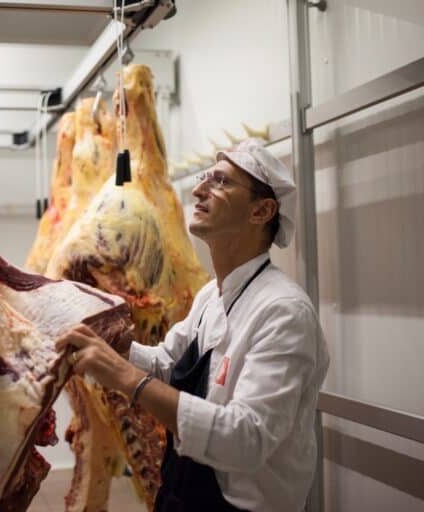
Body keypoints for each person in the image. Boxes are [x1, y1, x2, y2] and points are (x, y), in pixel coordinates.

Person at [57, 138, 329, 512]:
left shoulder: (284, 312)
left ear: (261, 210)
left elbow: (247, 438)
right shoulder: (210, 296)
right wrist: (115, 345)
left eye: (222, 182)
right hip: (182, 492)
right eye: (205, 178)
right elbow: (167, 363)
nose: (199, 190)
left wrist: (125, 377)